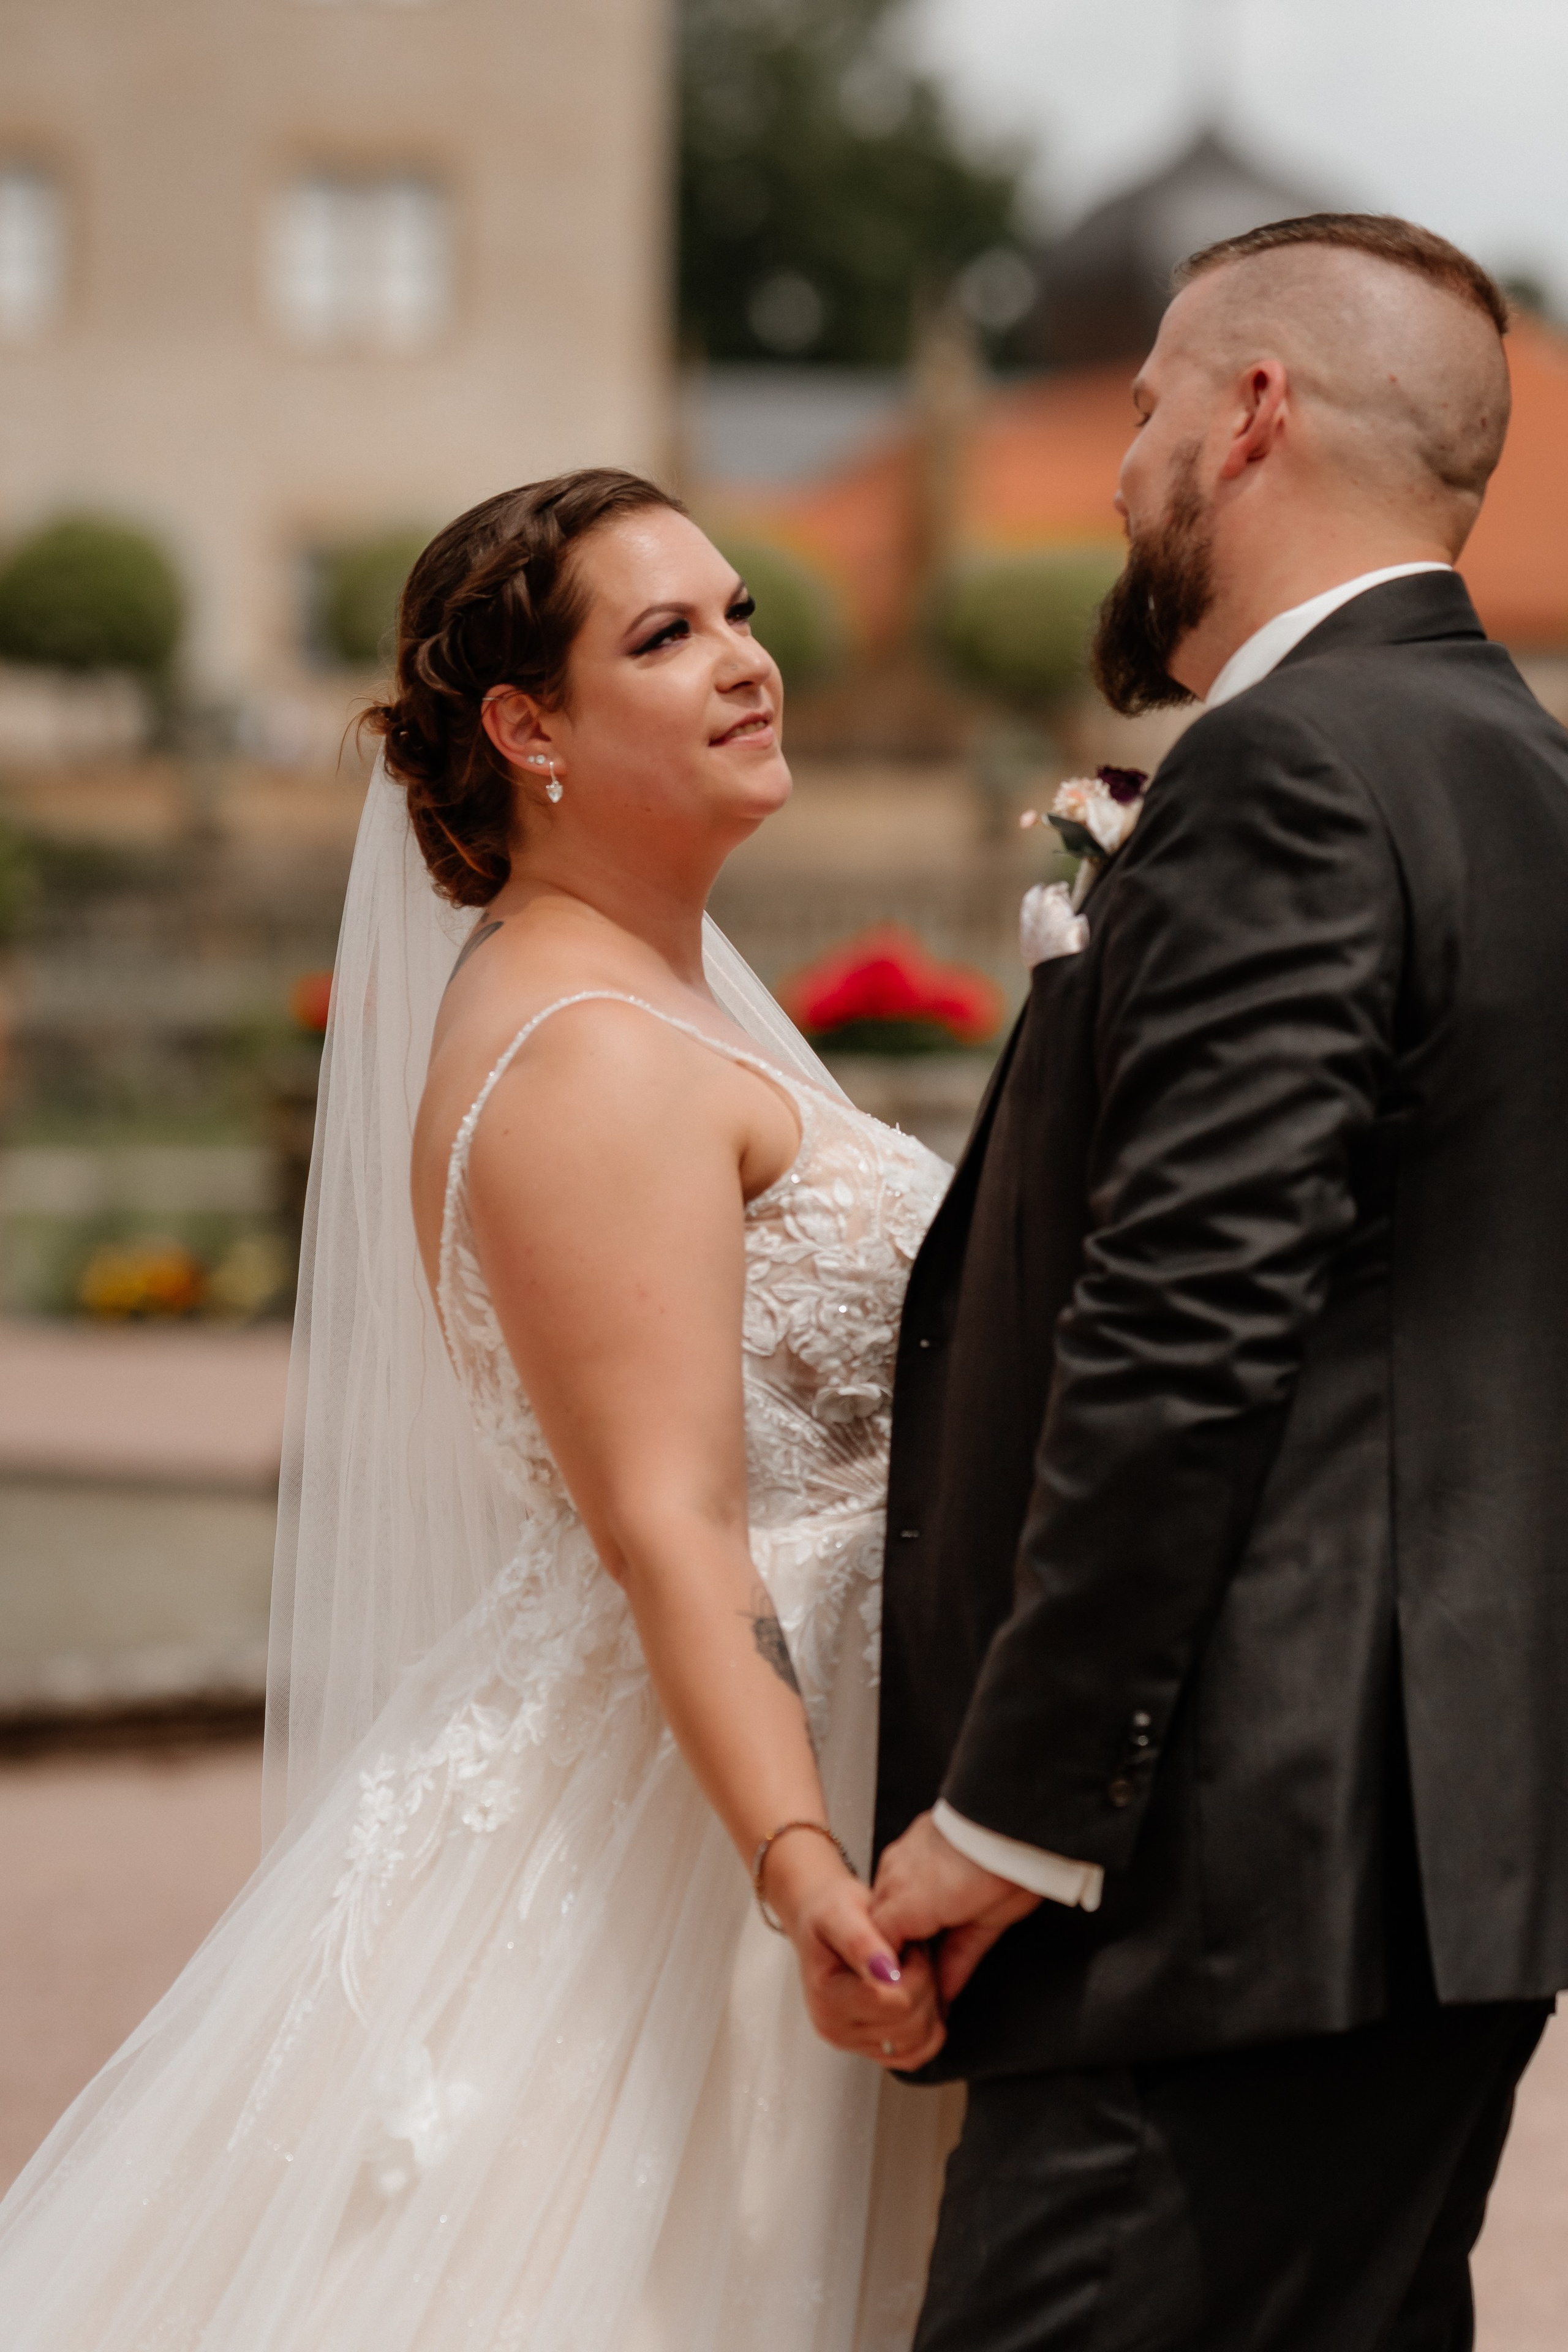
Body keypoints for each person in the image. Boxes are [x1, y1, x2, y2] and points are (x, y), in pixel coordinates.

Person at [0, 469, 961, 2348]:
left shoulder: (654, 1002)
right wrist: (796, 1869)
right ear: (527, 729)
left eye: (744, 614)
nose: (747, 665)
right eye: (667, 636)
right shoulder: (589, 1054)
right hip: (713, 1819)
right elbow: (665, 1519)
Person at [866, 215, 1568, 2350]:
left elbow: (1183, 1328)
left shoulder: (1287, 772)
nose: (1117, 457)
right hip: (1438, 1873)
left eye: (1155, 396)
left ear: (1255, 413)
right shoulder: (1521, 776)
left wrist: (1006, 1816)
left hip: (1225, 1875)